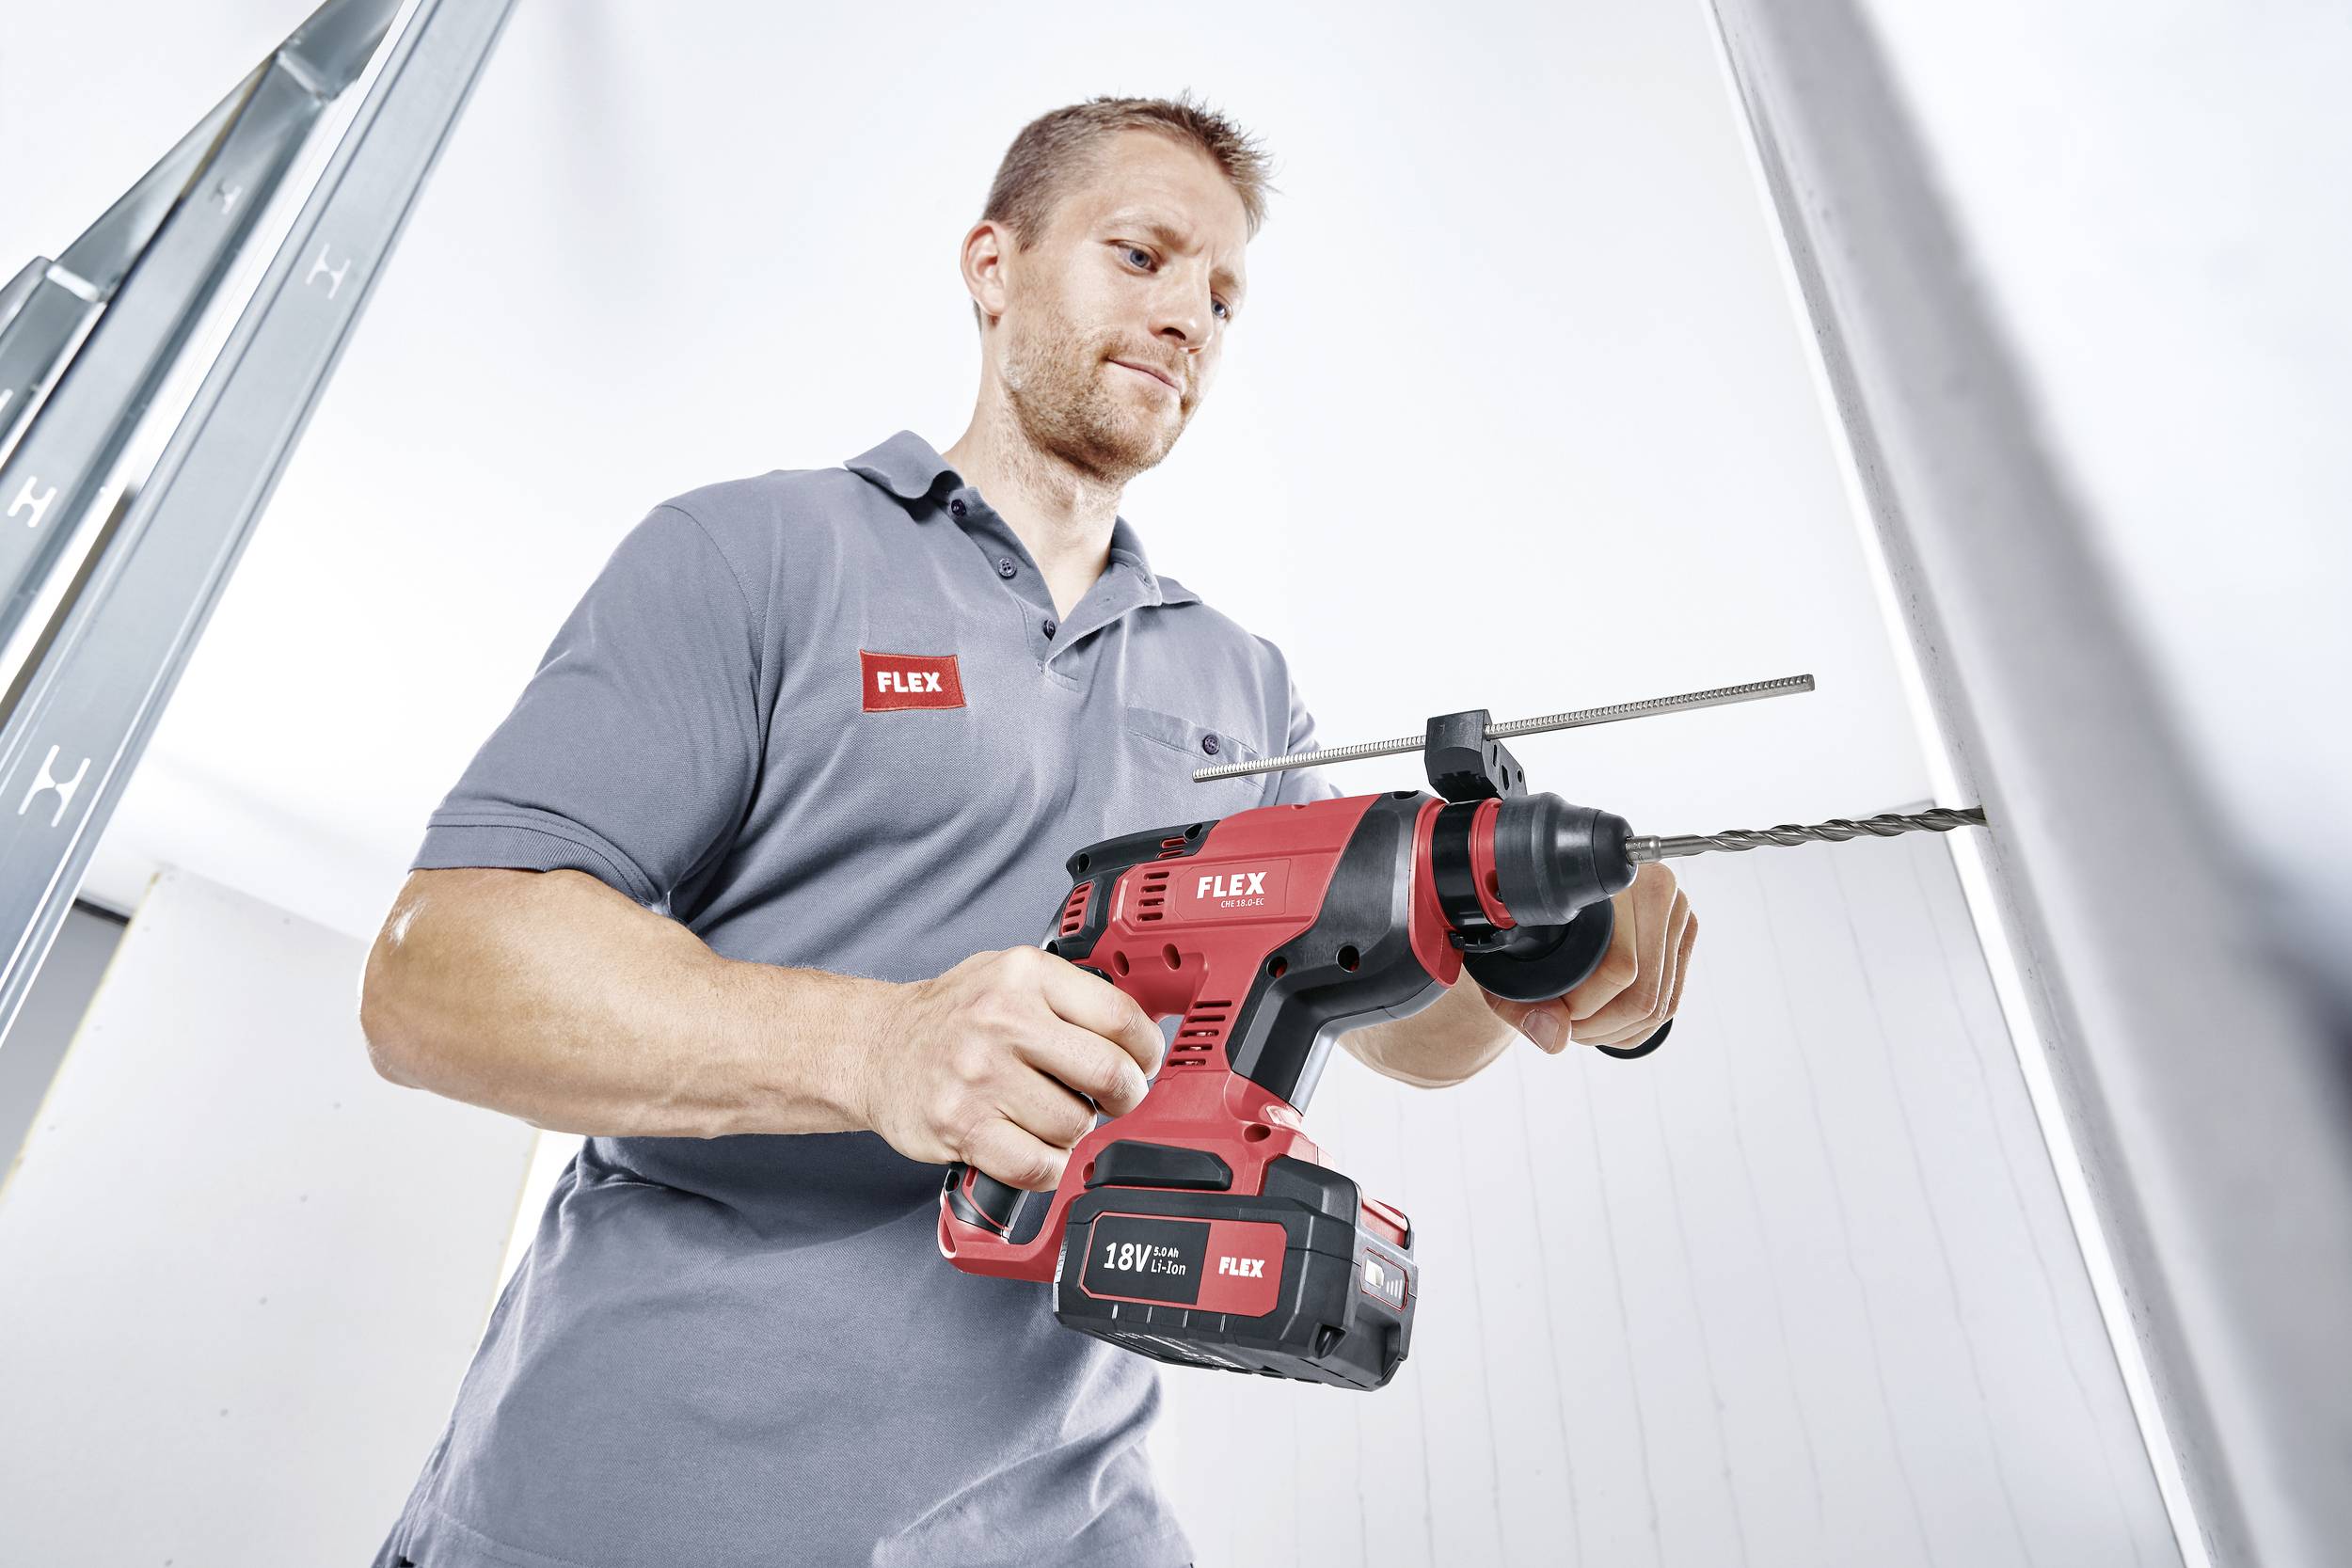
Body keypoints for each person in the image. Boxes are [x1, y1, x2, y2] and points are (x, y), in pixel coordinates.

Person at [359, 91, 1694, 1568]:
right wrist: (877, 1048)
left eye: (1225, 296)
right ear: (992, 265)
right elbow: (437, 976)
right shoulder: (758, 552)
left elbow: (1397, 1024)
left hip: (1064, 1525)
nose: (1190, 315)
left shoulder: (1240, 686)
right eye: (1143, 254)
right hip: (635, 1501)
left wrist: (1521, 934)